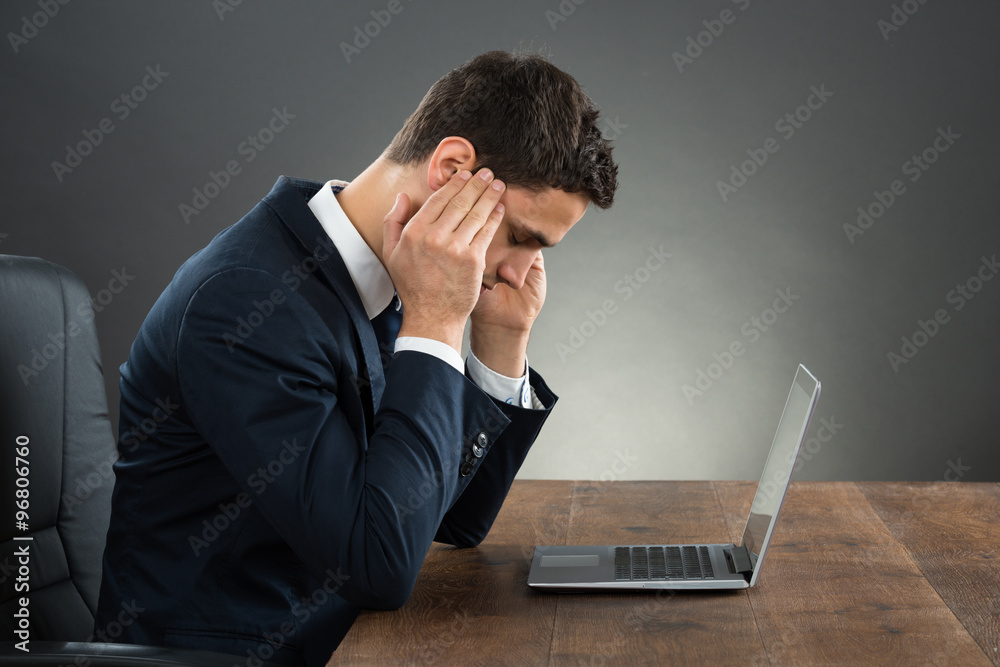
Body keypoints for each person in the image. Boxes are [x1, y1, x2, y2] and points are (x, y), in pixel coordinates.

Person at [95, 49, 618, 666]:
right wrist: (437, 321)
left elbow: (454, 522)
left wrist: (501, 344)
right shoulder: (245, 302)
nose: (519, 272)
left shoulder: (384, 276)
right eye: (523, 238)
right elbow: (377, 567)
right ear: (452, 170)